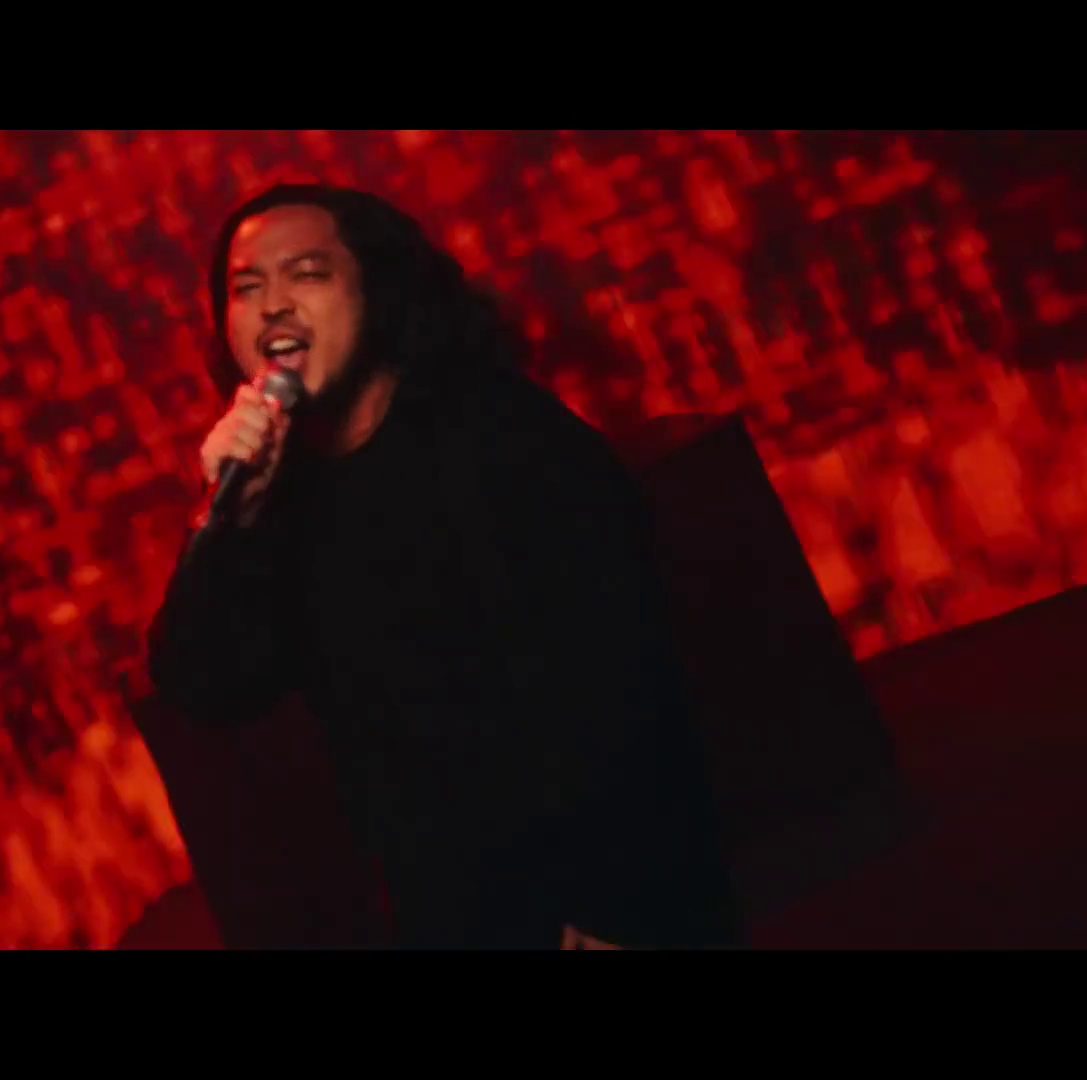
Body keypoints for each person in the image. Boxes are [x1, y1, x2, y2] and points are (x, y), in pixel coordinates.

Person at [146, 182, 744, 949]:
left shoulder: (505, 440)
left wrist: (607, 906)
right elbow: (203, 682)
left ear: (380, 293)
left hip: (605, 900)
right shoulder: (281, 502)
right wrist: (232, 516)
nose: (274, 306)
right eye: (247, 288)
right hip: (454, 912)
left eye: (308, 274)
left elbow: (625, 686)